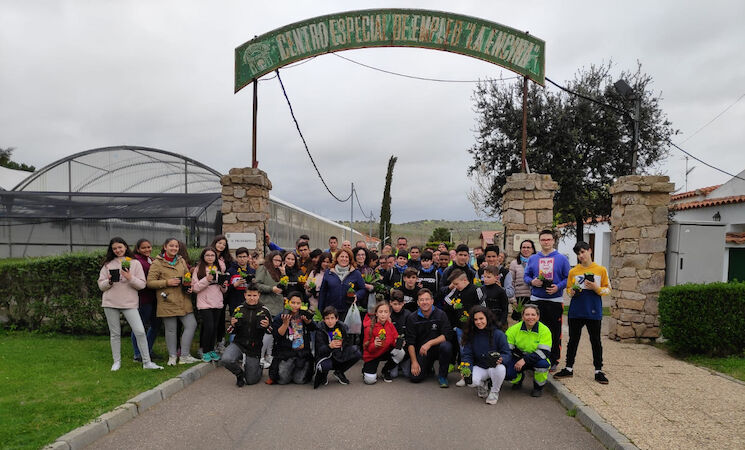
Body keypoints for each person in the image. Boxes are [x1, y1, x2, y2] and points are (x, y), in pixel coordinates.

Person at [98, 237, 163, 371]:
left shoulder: (135, 263)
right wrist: (109, 282)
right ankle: (116, 362)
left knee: (140, 331)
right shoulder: (108, 264)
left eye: (120, 247)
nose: (118, 250)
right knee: (115, 334)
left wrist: (130, 278)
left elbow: (142, 284)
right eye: (114, 248)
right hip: (110, 302)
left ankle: (147, 362)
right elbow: (101, 285)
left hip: (129, 303)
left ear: (125, 247)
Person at [554, 241, 611, 384]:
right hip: (576, 311)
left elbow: (608, 289)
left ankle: (598, 370)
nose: (581, 255)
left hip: (593, 310)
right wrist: (571, 292)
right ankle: (568, 368)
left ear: (589, 251)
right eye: (578, 253)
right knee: (573, 340)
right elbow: (568, 289)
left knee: (595, 340)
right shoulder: (573, 271)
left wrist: (596, 288)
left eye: (583, 252)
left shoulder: (601, 270)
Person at [147, 237, 199, 366]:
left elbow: (187, 276)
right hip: (167, 300)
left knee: (191, 325)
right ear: (165, 247)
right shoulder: (157, 263)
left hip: (183, 299)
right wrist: (167, 282)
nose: (174, 248)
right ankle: (172, 356)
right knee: (171, 330)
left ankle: (184, 356)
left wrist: (189, 286)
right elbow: (150, 282)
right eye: (171, 246)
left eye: (176, 246)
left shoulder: (181, 260)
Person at [524, 229, 571, 371]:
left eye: (548, 239)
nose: (546, 242)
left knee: (554, 331)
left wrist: (558, 287)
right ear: (539, 241)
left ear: (553, 241)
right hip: (536, 300)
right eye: (543, 239)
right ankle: (535, 358)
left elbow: (568, 278)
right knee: (534, 329)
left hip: (554, 300)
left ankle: (553, 359)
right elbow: (526, 276)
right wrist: (532, 282)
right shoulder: (533, 258)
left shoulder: (562, 259)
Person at [221, 284, 272, 387]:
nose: (252, 298)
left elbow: (272, 332)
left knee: (251, 380)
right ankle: (239, 374)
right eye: (249, 295)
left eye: (254, 295)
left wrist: (267, 326)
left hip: (254, 347)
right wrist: (232, 325)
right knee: (226, 359)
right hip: (239, 343)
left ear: (259, 295)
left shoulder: (265, 310)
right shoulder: (239, 309)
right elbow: (230, 331)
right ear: (245, 295)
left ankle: (259, 366)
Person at [461, 306, 511, 405]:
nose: (478, 322)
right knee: (469, 380)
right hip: (479, 366)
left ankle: (494, 392)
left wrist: (502, 359)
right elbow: (467, 355)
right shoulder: (471, 334)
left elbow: (507, 353)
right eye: (475, 319)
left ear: (488, 318)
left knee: (501, 369)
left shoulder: (498, 334)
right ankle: (482, 384)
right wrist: (466, 368)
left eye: (481, 318)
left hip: (494, 367)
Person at [406, 289, 454, 387]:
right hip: (422, 351)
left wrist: (430, 343)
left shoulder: (441, 314)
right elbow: (410, 342)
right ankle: (428, 367)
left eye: (427, 299)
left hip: (437, 348)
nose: (425, 302)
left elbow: (447, 335)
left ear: (432, 301)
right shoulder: (412, 318)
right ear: (418, 302)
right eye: (421, 300)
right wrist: (414, 362)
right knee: (415, 378)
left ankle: (442, 376)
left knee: (447, 346)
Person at [269, 292, 316, 385]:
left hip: (302, 352)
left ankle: (297, 369)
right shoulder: (281, 316)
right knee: (282, 380)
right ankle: (291, 369)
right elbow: (277, 336)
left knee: (300, 381)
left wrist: (308, 322)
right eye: (293, 302)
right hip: (286, 352)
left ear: (301, 304)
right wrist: (285, 323)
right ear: (288, 302)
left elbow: (314, 328)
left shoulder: (304, 315)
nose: (295, 305)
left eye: (298, 303)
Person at [505, 305, 552, 397]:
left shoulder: (545, 330)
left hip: (537, 358)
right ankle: (518, 380)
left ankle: (538, 387)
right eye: (527, 314)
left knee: (543, 365)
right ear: (523, 317)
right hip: (518, 357)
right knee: (506, 372)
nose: (530, 317)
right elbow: (507, 349)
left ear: (538, 317)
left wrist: (525, 360)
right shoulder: (513, 329)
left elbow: (544, 352)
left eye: (533, 315)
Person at [191, 247, 228, 362]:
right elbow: (195, 288)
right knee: (209, 327)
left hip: (217, 302)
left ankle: (212, 349)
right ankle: (205, 351)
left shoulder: (218, 268)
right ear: (203, 257)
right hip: (204, 302)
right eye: (207, 255)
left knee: (214, 328)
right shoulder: (198, 269)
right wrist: (207, 279)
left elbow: (224, 290)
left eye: (212, 255)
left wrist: (223, 285)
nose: (210, 257)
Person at [313, 306, 361, 388]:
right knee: (325, 365)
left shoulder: (342, 327)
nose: (330, 321)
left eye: (332, 318)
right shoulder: (320, 329)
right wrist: (329, 346)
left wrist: (343, 343)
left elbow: (349, 343)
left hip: (338, 354)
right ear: (323, 320)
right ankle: (323, 375)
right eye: (327, 318)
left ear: (337, 319)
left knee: (357, 353)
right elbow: (319, 351)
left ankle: (339, 372)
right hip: (326, 356)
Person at [130, 239, 160, 363]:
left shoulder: (151, 260)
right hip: (143, 298)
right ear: (138, 249)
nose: (147, 249)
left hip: (154, 298)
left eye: (149, 247)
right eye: (144, 248)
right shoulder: (136, 261)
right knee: (139, 326)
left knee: (156, 325)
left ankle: (147, 350)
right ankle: (138, 353)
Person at [255, 250, 284, 368]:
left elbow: (284, 286)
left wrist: (284, 274)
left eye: (280, 261)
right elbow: (257, 285)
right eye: (275, 260)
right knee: (265, 332)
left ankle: (269, 355)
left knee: (272, 332)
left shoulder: (280, 271)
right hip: (266, 304)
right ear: (270, 259)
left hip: (278, 305)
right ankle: (260, 356)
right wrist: (271, 289)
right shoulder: (263, 269)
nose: (278, 263)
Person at [318, 248, 367, 318]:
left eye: (346, 257)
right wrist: (320, 311)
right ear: (337, 258)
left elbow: (363, 289)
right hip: (331, 312)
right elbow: (323, 292)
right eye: (342, 256)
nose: (344, 259)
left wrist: (356, 295)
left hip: (348, 311)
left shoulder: (356, 273)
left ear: (350, 259)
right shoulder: (329, 272)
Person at [361, 301, 399, 384]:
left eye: (386, 312)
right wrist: (374, 345)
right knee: (370, 381)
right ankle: (365, 370)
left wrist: (398, 342)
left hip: (385, 351)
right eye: (380, 312)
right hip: (372, 355)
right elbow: (366, 348)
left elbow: (394, 339)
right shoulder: (369, 327)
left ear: (389, 314)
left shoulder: (390, 325)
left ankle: (385, 370)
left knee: (400, 352)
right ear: (376, 313)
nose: (383, 314)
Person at [507, 239, 536, 317]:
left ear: (533, 250)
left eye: (528, 247)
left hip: (534, 297)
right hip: (519, 298)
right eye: (523, 247)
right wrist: (513, 300)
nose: (526, 249)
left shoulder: (537, 262)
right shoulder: (514, 263)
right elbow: (511, 282)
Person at [388, 290, 411, 378]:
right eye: (395, 304)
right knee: (393, 375)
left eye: (399, 304)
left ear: (403, 303)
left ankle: (402, 362)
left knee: (407, 374)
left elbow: (411, 334)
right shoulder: (388, 315)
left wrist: (406, 342)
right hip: (393, 348)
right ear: (390, 303)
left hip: (405, 348)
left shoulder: (408, 314)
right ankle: (393, 363)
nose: (397, 306)